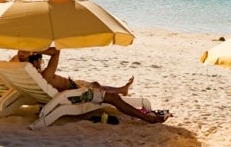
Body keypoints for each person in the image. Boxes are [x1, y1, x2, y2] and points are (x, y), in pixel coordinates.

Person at [14, 49, 169, 124]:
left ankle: (123, 91)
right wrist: (35, 49)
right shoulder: (46, 75)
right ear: (34, 62)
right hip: (75, 95)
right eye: (40, 60)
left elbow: (16, 60)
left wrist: (24, 54)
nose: (42, 62)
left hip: (71, 90)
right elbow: (56, 52)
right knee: (112, 98)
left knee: (97, 86)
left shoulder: (26, 73)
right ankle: (148, 118)